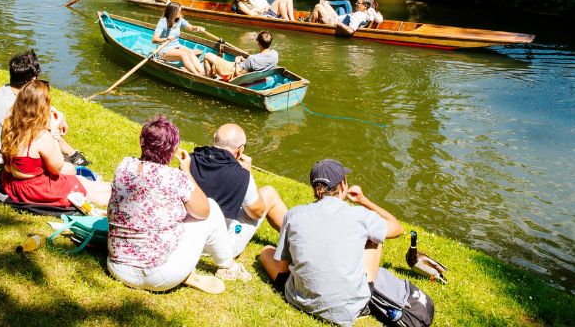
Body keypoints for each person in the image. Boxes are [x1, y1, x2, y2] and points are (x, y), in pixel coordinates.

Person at [107, 115, 252, 294]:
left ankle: (184, 270)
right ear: (173, 149)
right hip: (157, 276)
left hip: (117, 268)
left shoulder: (124, 166)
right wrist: (187, 171)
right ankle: (228, 267)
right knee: (212, 206)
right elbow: (204, 211)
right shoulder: (176, 178)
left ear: (142, 142)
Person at [259, 159, 405, 327]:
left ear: (315, 188)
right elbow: (398, 228)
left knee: (266, 251)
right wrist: (363, 200)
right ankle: (367, 293)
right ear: (343, 185)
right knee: (375, 241)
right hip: (351, 308)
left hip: (299, 299)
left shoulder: (293, 215)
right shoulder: (361, 216)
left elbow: (284, 269)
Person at [0, 79, 111, 207]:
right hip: (37, 188)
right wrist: (54, 132)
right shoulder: (41, 136)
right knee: (91, 194)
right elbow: (57, 168)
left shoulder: (9, 123)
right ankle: (128, 199)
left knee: (80, 180)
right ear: (42, 107)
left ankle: (120, 186)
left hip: (13, 182)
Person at [0, 50, 89, 173]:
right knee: (66, 168)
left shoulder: (6, 90)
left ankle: (71, 154)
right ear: (33, 80)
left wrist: (58, 113)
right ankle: (73, 155)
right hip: (3, 166)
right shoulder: (17, 108)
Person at [190, 123, 288, 258]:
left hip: (189, 240)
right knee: (269, 193)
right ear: (240, 149)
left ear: (214, 138)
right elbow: (257, 213)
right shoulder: (240, 174)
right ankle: (300, 239)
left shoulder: (189, 159)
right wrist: (248, 173)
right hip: (218, 248)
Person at [152, 2, 208, 75]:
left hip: (176, 46)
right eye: (180, 11)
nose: (181, 12)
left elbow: (191, 28)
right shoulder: (163, 22)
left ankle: (202, 72)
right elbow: (154, 40)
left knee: (190, 52)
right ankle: (196, 75)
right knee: (183, 54)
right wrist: (165, 39)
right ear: (173, 12)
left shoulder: (179, 19)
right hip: (164, 49)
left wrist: (198, 28)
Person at [203, 31, 278, 80]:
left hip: (232, 71)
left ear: (259, 44)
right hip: (252, 73)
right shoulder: (275, 54)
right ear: (270, 43)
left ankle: (209, 80)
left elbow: (238, 75)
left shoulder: (252, 59)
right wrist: (246, 61)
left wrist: (237, 62)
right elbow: (260, 63)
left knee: (207, 56)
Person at [307, 0, 382, 35]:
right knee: (324, 4)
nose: (356, 4)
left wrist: (338, 23)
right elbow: (379, 19)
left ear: (365, 6)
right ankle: (325, 3)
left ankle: (311, 26)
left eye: (358, 3)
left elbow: (350, 31)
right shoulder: (370, 11)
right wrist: (379, 14)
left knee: (318, 6)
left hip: (333, 21)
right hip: (337, 17)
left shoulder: (358, 15)